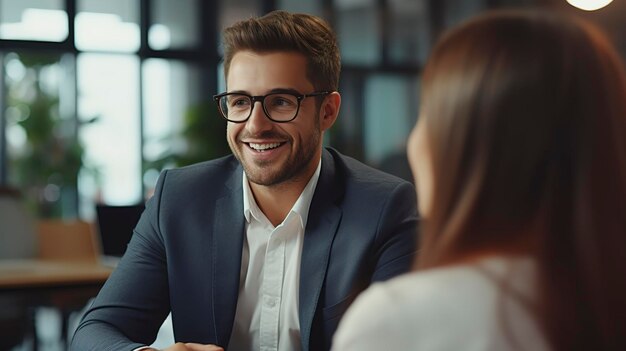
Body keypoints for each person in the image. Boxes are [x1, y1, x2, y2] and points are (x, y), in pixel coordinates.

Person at [70, 10, 418, 351]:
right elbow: (97, 331)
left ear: (327, 111)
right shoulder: (179, 200)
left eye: (281, 102)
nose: (255, 125)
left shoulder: (385, 209)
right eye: (239, 102)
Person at [332, 9, 626, 351]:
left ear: (469, 147)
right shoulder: (602, 302)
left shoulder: (398, 319)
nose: (413, 141)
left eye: (428, 113)